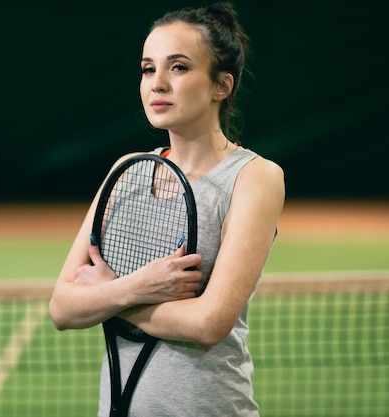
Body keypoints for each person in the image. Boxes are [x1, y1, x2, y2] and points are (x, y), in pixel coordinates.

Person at [49, 2, 285, 416]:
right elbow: (63, 308)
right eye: (147, 68)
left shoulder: (254, 178)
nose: (157, 83)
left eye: (178, 67)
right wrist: (138, 287)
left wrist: (108, 294)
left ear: (221, 85)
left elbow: (209, 324)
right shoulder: (125, 172)